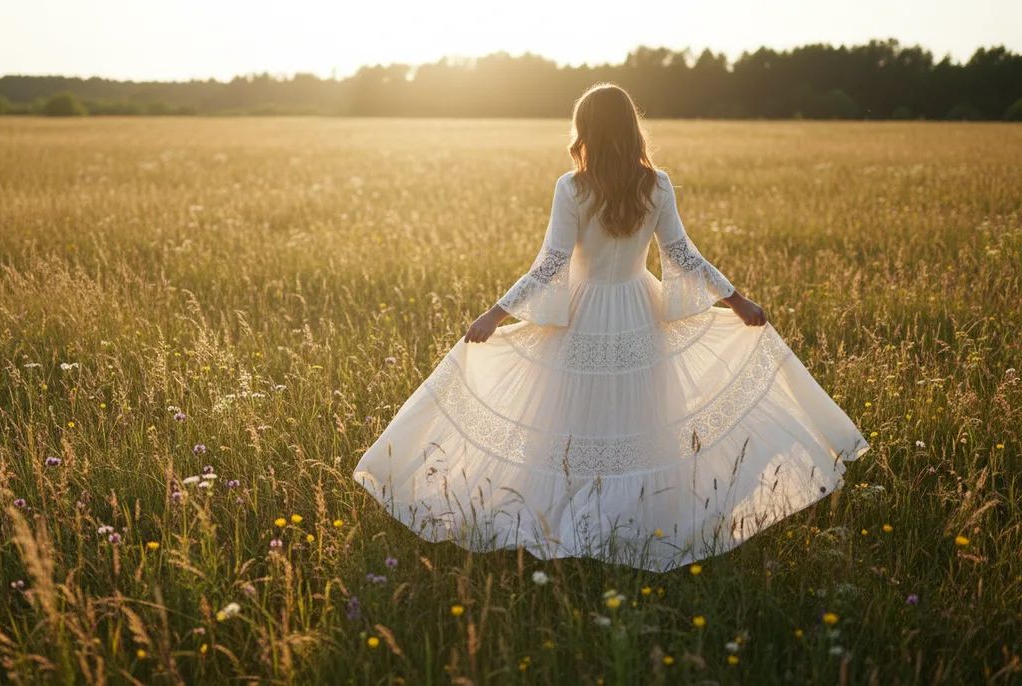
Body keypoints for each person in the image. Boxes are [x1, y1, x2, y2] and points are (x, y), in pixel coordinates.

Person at [353, 83, 868, 572]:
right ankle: (638, 519)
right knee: (638, 421)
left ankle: (576, 525)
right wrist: (738, 302)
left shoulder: (573, 187)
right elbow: (683, 257)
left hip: (583, 314)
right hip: (639, 307)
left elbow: (551, 266)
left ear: (585, 132)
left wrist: (495, 313)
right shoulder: (656, 183)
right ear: (631, 128)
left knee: (572, 425)